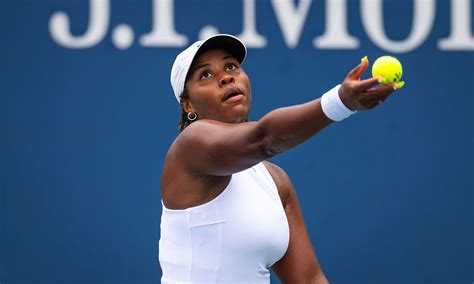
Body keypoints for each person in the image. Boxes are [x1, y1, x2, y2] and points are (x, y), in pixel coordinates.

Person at [159, 34, 398, 283]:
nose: (226, 77)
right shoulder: (190, 146)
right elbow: (264, 139)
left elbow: (309, 279)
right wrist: (340, 102)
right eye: (205, 75)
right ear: (187, 105)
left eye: (231, 66)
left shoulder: (276, 181)